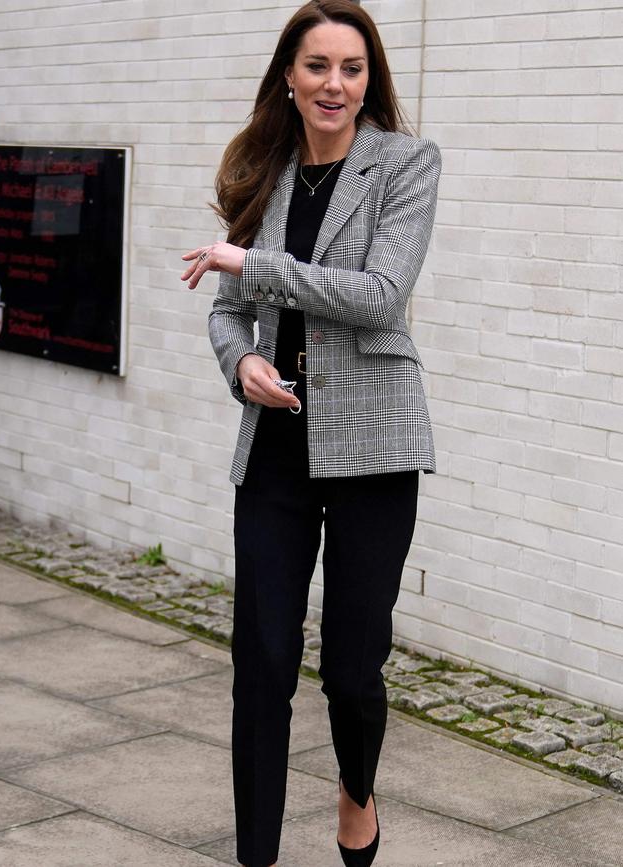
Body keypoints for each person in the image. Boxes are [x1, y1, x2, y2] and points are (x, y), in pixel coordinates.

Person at [181, 2, 442, 864]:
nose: (336, 84)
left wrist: (252, 266)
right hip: (276, 449)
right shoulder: (266, 170)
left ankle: (357, 791)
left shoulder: (405, 164)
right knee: (259, 660)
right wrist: (241, 366)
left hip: (372, 447)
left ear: (371, 80)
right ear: (288, 78)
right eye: (319, 66)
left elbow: (376, 296)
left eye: (353, 68)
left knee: (352, 670)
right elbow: (229, 315)